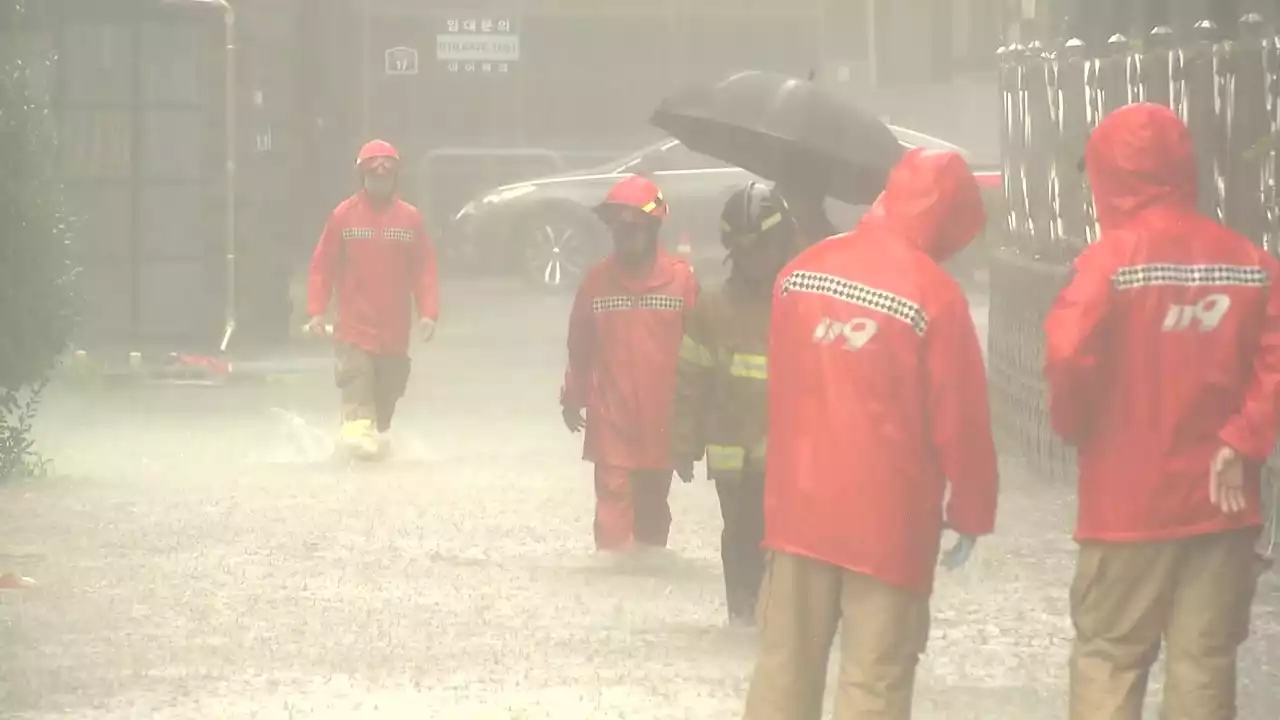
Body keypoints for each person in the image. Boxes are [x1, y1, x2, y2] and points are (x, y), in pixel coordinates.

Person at [744, 149, 998, 720]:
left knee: (784, 668)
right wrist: (974, 510)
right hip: (890, 525)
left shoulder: (799, 274)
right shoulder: (935, 297)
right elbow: (962, 421)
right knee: (875, 681)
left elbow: (780, 391)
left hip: (798, 513)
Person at [1044, 103, 1277, 720]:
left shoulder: (1108, 263)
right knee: (1204, 664)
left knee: (1110, 658)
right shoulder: (1252, 265)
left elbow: (1068, 353)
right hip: (1221, 506)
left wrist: (1077, 424)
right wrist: (1244, 437)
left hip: (1126, 508)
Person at [669, 182, 802, 626]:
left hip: (791, 459)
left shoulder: (805, 303)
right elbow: (691, 378)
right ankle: (743, 621)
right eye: (745, 249)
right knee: (741, 538)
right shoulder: (712, 309)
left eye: (762, 248)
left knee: (791, 546)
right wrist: (683, 441)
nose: (755, 259)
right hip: (733, 460)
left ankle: (784, 626)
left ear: (783, 244)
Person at [560, 175, 699, 553]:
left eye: (634, 228)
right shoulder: (596, 283)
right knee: (612, 525)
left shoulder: (682, 282)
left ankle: (646, 596)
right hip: (612, 425)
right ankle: (612, 594)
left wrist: (696, 421)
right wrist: (572, 395)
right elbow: (580, 347)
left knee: (653, 517)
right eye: (619, 229)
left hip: (662, 423)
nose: (626, 237)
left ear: (653, 227)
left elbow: (699, 356)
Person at [306, 139, 439, 459]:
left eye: (386, 176)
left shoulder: (410, 220)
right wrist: (316, 312)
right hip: (354, 328)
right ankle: (354, 429)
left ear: (395, 178)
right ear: (361, 176)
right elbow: (322, 267)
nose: (380, 181)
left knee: (385, 398)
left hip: (394, 334)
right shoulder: (343, 216)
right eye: (373, 176)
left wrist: (428, 313)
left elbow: (425, 270)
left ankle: (367, 432)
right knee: (357, 379)